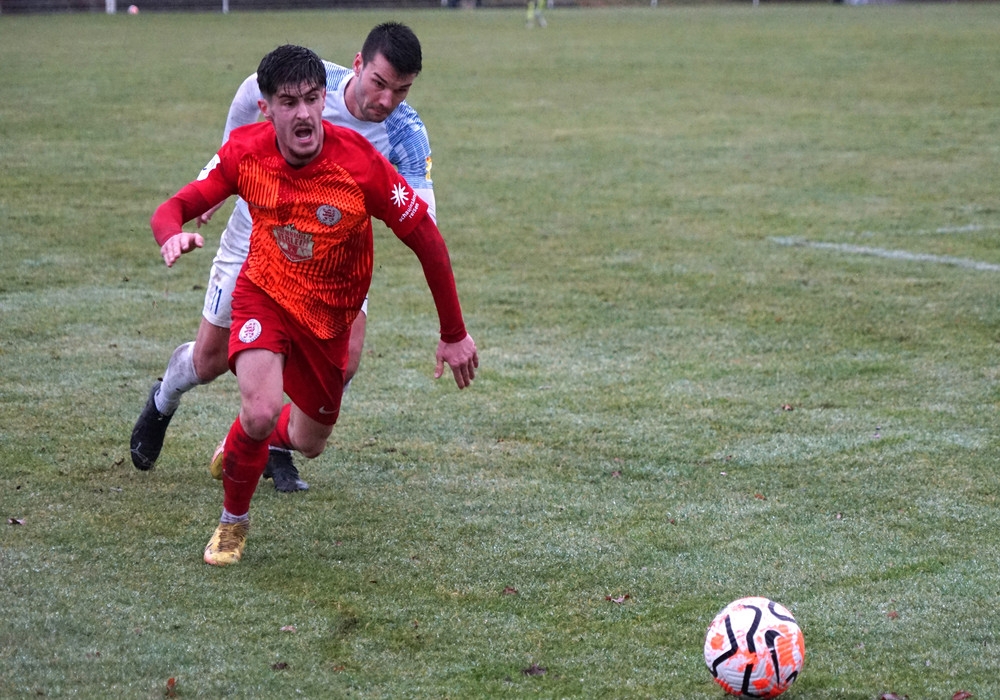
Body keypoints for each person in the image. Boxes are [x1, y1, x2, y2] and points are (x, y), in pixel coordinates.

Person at [150, 44, 478, 566]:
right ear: (266, 108)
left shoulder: (362, 164)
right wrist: (171, 233)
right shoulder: (246, 152)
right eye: (288, 102)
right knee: (260, 409)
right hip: (265, 293)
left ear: (324, 99)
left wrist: (454, 333)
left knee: (309, 440)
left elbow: (428, 241)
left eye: (310, 99)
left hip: (330, 314)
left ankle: (241, 443)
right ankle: (233, 523)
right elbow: (176, 205)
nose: (302, 114)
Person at [131, 22, 435, 492]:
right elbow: (248, 94)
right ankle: (164, 398)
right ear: (358, 65)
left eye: (402, 90)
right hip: (260, 229)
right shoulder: (311, 83)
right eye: (379, 83)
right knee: (210, 360)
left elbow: (423, 218)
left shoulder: (407, 134)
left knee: (345, 362)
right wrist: (222, 172)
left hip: (333, 252)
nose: (386, 100)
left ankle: (271, 442)